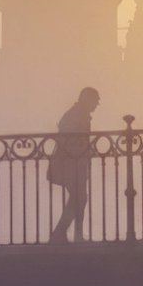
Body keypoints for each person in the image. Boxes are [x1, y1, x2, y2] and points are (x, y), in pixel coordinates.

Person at [48, 87, 100, 243]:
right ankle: (69, 234)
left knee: (78, 197)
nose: (96, 105)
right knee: (80, 197)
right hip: (71, 164)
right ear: (87, 99)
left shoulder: (77, 114)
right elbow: (70, 139)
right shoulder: (76, 115)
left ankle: (61, 233)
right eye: (95, 101)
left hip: (73, 163)